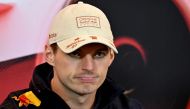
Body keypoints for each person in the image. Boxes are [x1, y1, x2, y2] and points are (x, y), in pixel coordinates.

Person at [0, 2, 142, 109]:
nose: (89, 67)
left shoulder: (128, 107)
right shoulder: (18, 106)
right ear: (50, 55)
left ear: (111, 57)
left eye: (99, 54)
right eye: (75, 53)